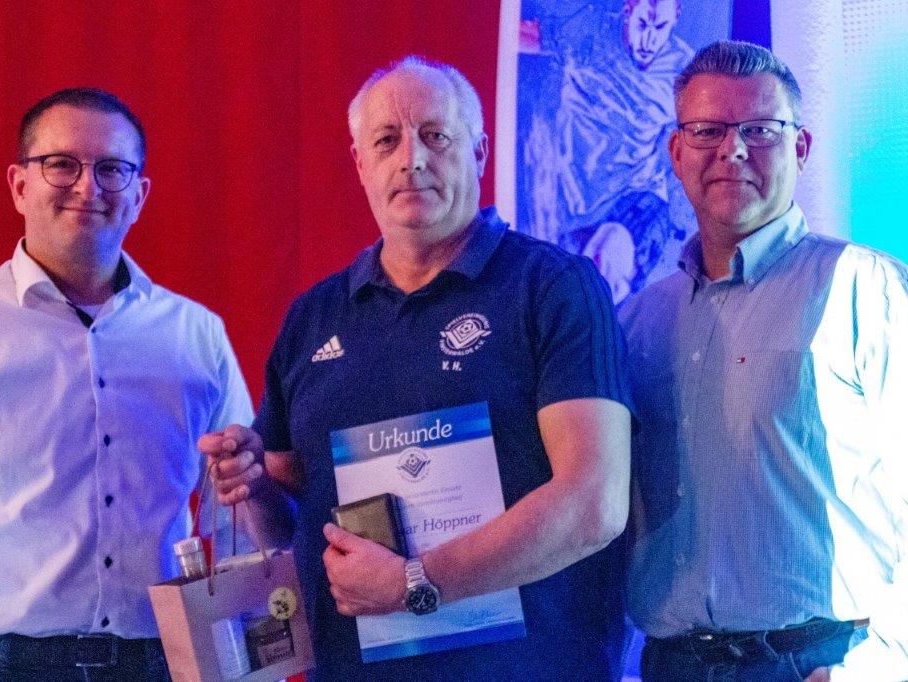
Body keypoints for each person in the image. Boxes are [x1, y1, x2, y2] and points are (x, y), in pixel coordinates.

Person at [200, 56, 633, 680]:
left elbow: (593, 503)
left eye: (436, 136)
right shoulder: (312, 319)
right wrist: (253, 484)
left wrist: (414, 581)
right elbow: (292, 528)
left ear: (479, 152)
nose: (412, 160)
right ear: (360, 163)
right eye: (387, 141)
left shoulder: (555, 288)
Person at [0, 88, 253, 681]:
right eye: (61, 164)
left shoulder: (196, 335)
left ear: (139, 195)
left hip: (156, 662)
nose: (88, 187)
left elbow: (239, 524)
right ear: (19, 185)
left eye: (111, 169)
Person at [621, 40, 908, 681]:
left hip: (821, 661)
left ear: (800, 147)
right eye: (708, 130)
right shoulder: (637, 322)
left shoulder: (867, 290)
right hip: (672, 664)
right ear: (676, 152)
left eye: (760, 129)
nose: (733, 150)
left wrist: (879, 666)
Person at [521, 0, 692, 294]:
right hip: (573, 200)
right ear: (628, 9)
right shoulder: (590, 31)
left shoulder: (686, 72)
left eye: (660, 27)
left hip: (633, 199)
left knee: (603, 274)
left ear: (676, 17)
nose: (648, 40)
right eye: (642, 24)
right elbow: (515, 39)